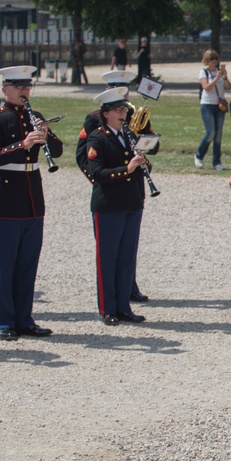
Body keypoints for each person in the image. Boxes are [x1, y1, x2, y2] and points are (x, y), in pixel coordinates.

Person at [0, 66, 64, 341]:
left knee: (28, 263)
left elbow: (59, 150)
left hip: (32, 197)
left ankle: (24, 319)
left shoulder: (35, 116)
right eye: (18, 87)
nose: (24, 92)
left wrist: (47, 133)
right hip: (5, 198)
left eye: (27, 87)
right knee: (5, 264)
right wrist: (23, 144)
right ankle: (5, 322)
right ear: (5, 89)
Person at [75, 70, 158, 303]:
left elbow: (152, 145)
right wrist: (97, 179)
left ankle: (128, 287)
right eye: (115, 88)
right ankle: (112, 299)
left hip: (133, 187)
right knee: (110, 248)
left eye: (124, 88)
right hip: (110, 185)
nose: (122, 94)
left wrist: (144, 149)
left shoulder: (135, 114)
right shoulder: (95, 119)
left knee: (128, 246)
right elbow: (83, 155)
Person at [86, 87, 148, 326]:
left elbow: (138, 167)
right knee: (108, 258)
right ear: (106, 114)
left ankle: (124, 306)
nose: (124, 113)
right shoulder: (98, 138)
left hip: (132, 202)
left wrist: (143, 164)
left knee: (126, 258)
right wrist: (127, 169)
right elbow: (97, 173)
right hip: (109, 205)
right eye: (119, 110)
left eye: (124, 109)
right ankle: (107, 308)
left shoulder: (129, 136)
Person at [196, 49, 231, 171]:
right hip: (207, 104)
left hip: (219, 105)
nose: (214, 61)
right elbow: (206, 87)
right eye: (211, 59)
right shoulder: (203, 72)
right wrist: (216, 78)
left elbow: (228, 86)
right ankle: (199, 155)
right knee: (210, 133)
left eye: (216, 58)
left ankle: (216, 162)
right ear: (207, 60)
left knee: (218, 136)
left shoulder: (219, 72)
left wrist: (225, 77)